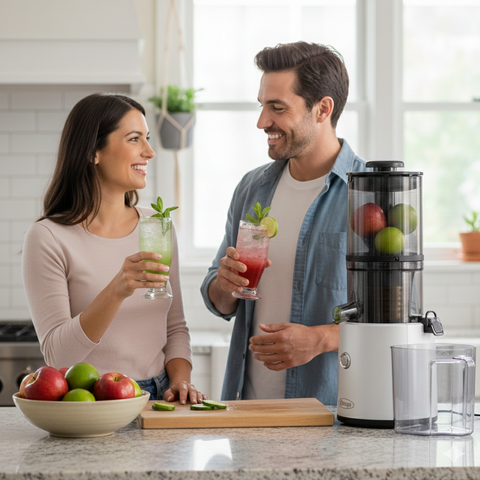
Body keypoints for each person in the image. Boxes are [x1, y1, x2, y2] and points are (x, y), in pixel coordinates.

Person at [200, 42, 367, 405]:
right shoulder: (252, 188)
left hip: (332, 418)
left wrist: (320, 339)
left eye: (277, 108)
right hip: (249, 414)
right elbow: (218, 301)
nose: (262, 122)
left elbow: (402, 317)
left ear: (323, 109)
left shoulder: (371, 195)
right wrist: (225, 285)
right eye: (262, 106)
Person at [22, 93, 205, 404]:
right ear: (94, 151)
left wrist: (181, 382)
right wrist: (118, 289)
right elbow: (57, 354)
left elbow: (175, 328)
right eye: (135, 139)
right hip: (91, 401)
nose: (149, 152)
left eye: (147, 139)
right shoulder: (48, 237)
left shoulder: (157, 226)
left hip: (161, 399)